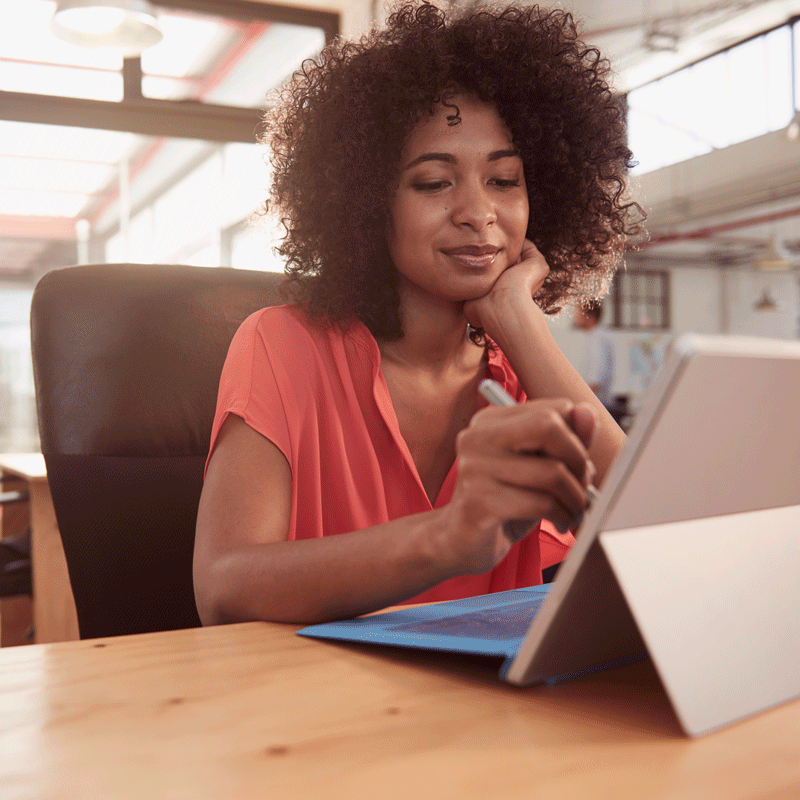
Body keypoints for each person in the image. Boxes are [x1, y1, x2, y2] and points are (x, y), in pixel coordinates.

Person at [193, 1, 643, 626]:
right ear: (367, 202)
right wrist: (446, 537)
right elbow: (224, 588)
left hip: (484, 714)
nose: (478, 212)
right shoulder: (282, 346)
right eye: (434, 183)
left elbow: (652, 534)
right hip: (313, 709)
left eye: (505, 179)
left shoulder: (519, 380)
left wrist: (521, 323)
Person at [573, 301, 616, 409]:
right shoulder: (594, 336)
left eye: (579, 314)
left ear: (590, 317)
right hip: (596, 403)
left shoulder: (598, 338)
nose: (575, 317)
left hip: (596, 404)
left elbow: (596, 377)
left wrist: (585, 403)